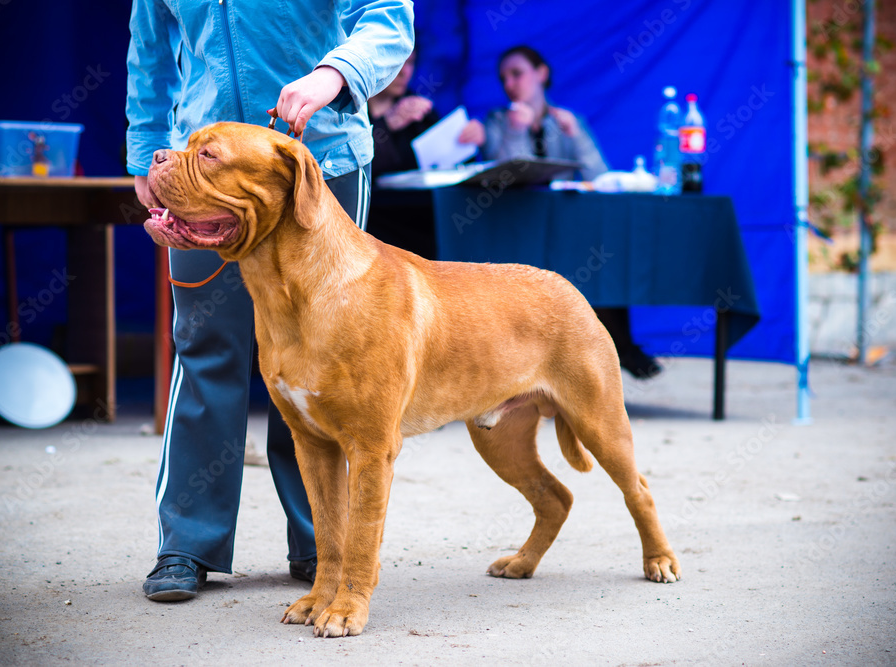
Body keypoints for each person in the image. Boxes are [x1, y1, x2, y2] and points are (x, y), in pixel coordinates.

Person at [126, 0, 414, 601]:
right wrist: (147, 153)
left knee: (328, 363)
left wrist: (331, 74)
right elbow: (149, 57)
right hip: (199, 173)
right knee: (205, 351)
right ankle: (187, 544)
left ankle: (320, 544)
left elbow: (390, 21)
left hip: (317, 165)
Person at [460, 45, 661, 379]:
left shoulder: (567, 120)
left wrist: (576, 135)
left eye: (517, 73)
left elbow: (600, 176)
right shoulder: (497, 122)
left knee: (603, 259)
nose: (510, 84)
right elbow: (508, 175)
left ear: (542, 74)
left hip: (568, 229)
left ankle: (619, 348)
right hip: (516, 226)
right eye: (503, 78)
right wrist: (517, 130)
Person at [365, 51, 441, 259]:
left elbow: (447, 164)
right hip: (371, 221)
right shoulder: (352, 109)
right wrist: (387, 125)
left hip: (418, 219)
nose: (404, 72)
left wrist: (467, 139)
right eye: (397, 62)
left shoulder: (418, 110)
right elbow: (349, 165)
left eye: (411, 62)